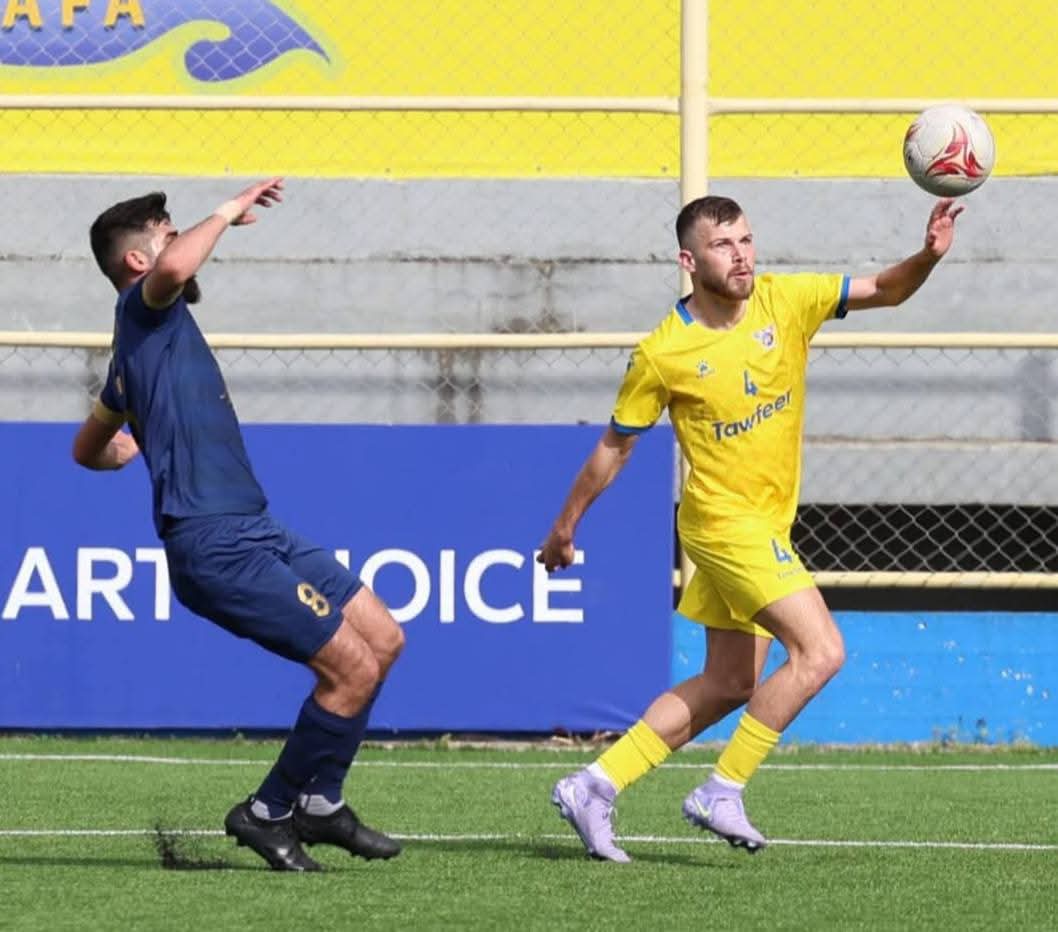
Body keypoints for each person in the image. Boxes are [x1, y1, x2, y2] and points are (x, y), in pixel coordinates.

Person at [539, 194, 963, 861]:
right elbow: (614, 449)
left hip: (765, 524)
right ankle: (723, 788)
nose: (741, 257)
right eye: (723, 245)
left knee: (731, 683)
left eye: (746, 240)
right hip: (723, 525)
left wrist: (928, 255)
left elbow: (885, 289)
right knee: (821, 651)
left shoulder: (785, 301)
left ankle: (595, 785)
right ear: (689, 261)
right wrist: (565, 528)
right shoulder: (664, 352)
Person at [74, 180, 406, 872]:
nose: (182, 244)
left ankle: (321, 803)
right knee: (348, 668)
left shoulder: (142, 348)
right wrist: (226, 209)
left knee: (382, 639)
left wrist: (121, 449)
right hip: (214, 542)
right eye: (167, 233)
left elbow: (86, 448)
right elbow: (174, 267)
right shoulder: (142, 309)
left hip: (255, 527)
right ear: (137, 261)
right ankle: (268, 811)